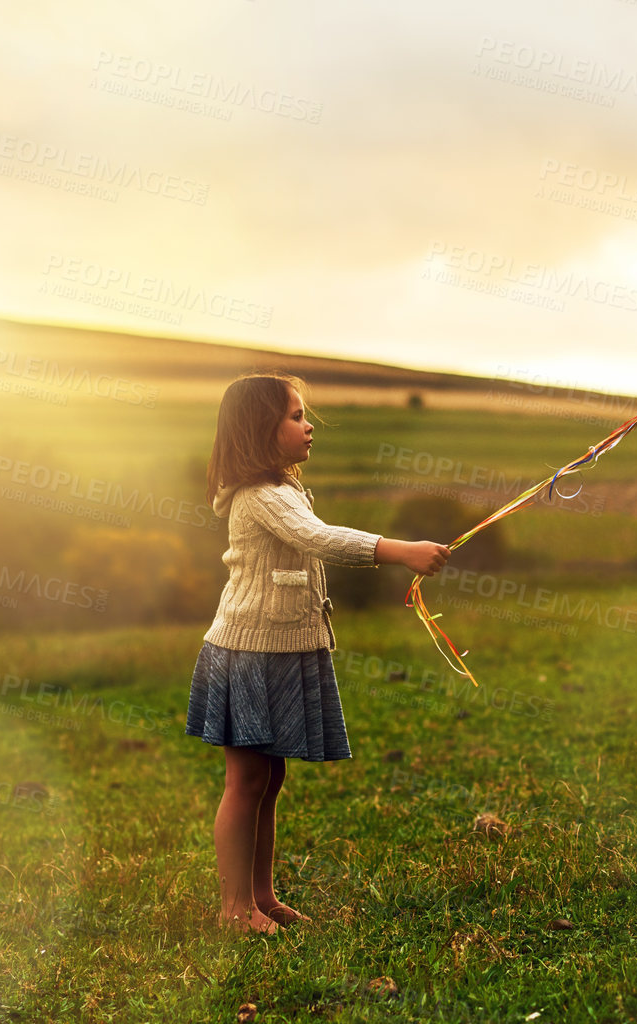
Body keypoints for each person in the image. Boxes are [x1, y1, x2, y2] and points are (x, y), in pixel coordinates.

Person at [190, 372, 451, 934]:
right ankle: (233, 908)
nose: (309, 427)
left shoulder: (282, 491)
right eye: (295, 416)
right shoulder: (261, 497)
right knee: (245, 782)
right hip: (247, 652)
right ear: (261, 430)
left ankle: (262, 897)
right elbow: (320, 539)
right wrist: (400, 550)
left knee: (269, 778)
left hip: (281, 650)